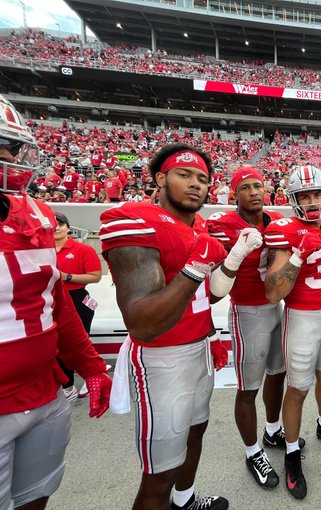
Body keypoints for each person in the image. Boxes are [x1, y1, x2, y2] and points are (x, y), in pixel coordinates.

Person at [100, 143, 230, 510]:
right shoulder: (136, 218)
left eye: (203, 179)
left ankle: (185, 502)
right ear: (161, 178)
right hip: (163, 358)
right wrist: (196, 266)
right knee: (159, 473)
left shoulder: (200, 225)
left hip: (199, 348)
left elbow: (207, 297)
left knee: (195, 432)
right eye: (184, 174)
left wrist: (229, 264)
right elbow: (143, 322)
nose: (195, 185)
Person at [0, 94, 111, 510]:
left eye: (9, 148)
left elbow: (57, 302)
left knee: (37, 497)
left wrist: (91, 366)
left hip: (45, 392)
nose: (8, 160)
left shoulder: (36, 215)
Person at [264, 164, 321, 500]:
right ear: (294, 198)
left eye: (317, 193)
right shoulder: (284, 228)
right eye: (306, 195)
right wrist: (299, 253)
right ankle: (290, 450)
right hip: (301, 317)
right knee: (298, 387)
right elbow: (273, 293)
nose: (313, 200)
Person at [207, 166, 297, 489]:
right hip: (247, 313)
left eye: (258, 185)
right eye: (245, 187)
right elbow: (213, 281)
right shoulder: (221, 224)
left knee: (278, 375)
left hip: (276, 308)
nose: (254, 192)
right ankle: (252, 451)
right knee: (248, 389)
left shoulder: (275, 219)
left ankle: (272, 430)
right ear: (235, 194)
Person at [53, 211, 103, 400]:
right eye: (53, 224)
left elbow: (96, 276)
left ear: (68, 228)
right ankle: (66, 384)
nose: (57, 227)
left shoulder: (83, 250)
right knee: (53, 343)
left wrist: (68, 277)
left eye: (61, 224)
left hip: (76, 298)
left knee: (77, 343)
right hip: (49, 300)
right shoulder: (40, 250)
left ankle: (74, 384)